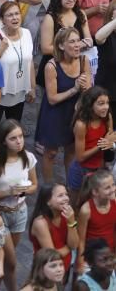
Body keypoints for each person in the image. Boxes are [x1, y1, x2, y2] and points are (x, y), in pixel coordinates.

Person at [0, 120, 38, 291]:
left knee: (8, 259)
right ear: (3, 141)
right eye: (13, 138)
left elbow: (34, 185)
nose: (19, 141)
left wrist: (26, 189)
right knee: (8, 260)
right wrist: (9, 191)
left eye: (21, 137)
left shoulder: (28, 157)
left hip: (20, 211)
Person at [35, 27, 91, 182]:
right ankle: (48, 188)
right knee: (51, 153)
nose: (77, 45)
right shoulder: (51, 66)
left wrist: (86, 88)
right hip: (55, 112)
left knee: (71, 150)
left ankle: (70, 185)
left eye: (78, 41)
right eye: (72, 42)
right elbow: (52, 98)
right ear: (61, 46)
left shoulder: (84, 60)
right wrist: (75, 89)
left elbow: (89, 90)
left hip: (74, 112)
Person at [0, 1, 36, 130]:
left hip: (19, 90)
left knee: (13, 128)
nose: (14, 18)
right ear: (2, 19)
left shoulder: (26, 33)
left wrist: (32, 86)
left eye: (17, 14)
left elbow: (29, 60)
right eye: (9, 15)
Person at [39, 0, 92, 86]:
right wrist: (70, 48)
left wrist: (82, 44)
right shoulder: (50, 18)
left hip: (76, 66)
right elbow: (45, 48)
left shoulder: (80, 13)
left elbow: (89, 40)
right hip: (54, 67)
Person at [68, 87, 114, 199]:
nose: (106, 107)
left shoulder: (107, 117)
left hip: (99, 167)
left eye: (107, 103)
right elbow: (80, 157)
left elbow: (110, 138)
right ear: (90, 104)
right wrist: (100, 146)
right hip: (81, 170)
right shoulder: (81, 125)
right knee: (76, 203)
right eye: (101, 103)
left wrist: (109, 142)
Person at [29, 183, 78, 278]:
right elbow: (53, 255)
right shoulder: (41, 223)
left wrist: (71, 222)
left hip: (64, 267)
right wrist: (69, 247)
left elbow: (75, 244)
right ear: (48, 202)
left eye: (66, 194)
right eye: (60, 195)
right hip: (46, 271)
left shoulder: (67, 215)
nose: (66, 198)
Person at [76, 170, 116, 273]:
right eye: (107, 188)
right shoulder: (86, 210)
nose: (113, 190)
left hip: (109, 253)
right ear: (95, 192)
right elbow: (81, 239)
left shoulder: (114, 202)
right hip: (92, 257)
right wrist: (80, 263)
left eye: (113, 185)